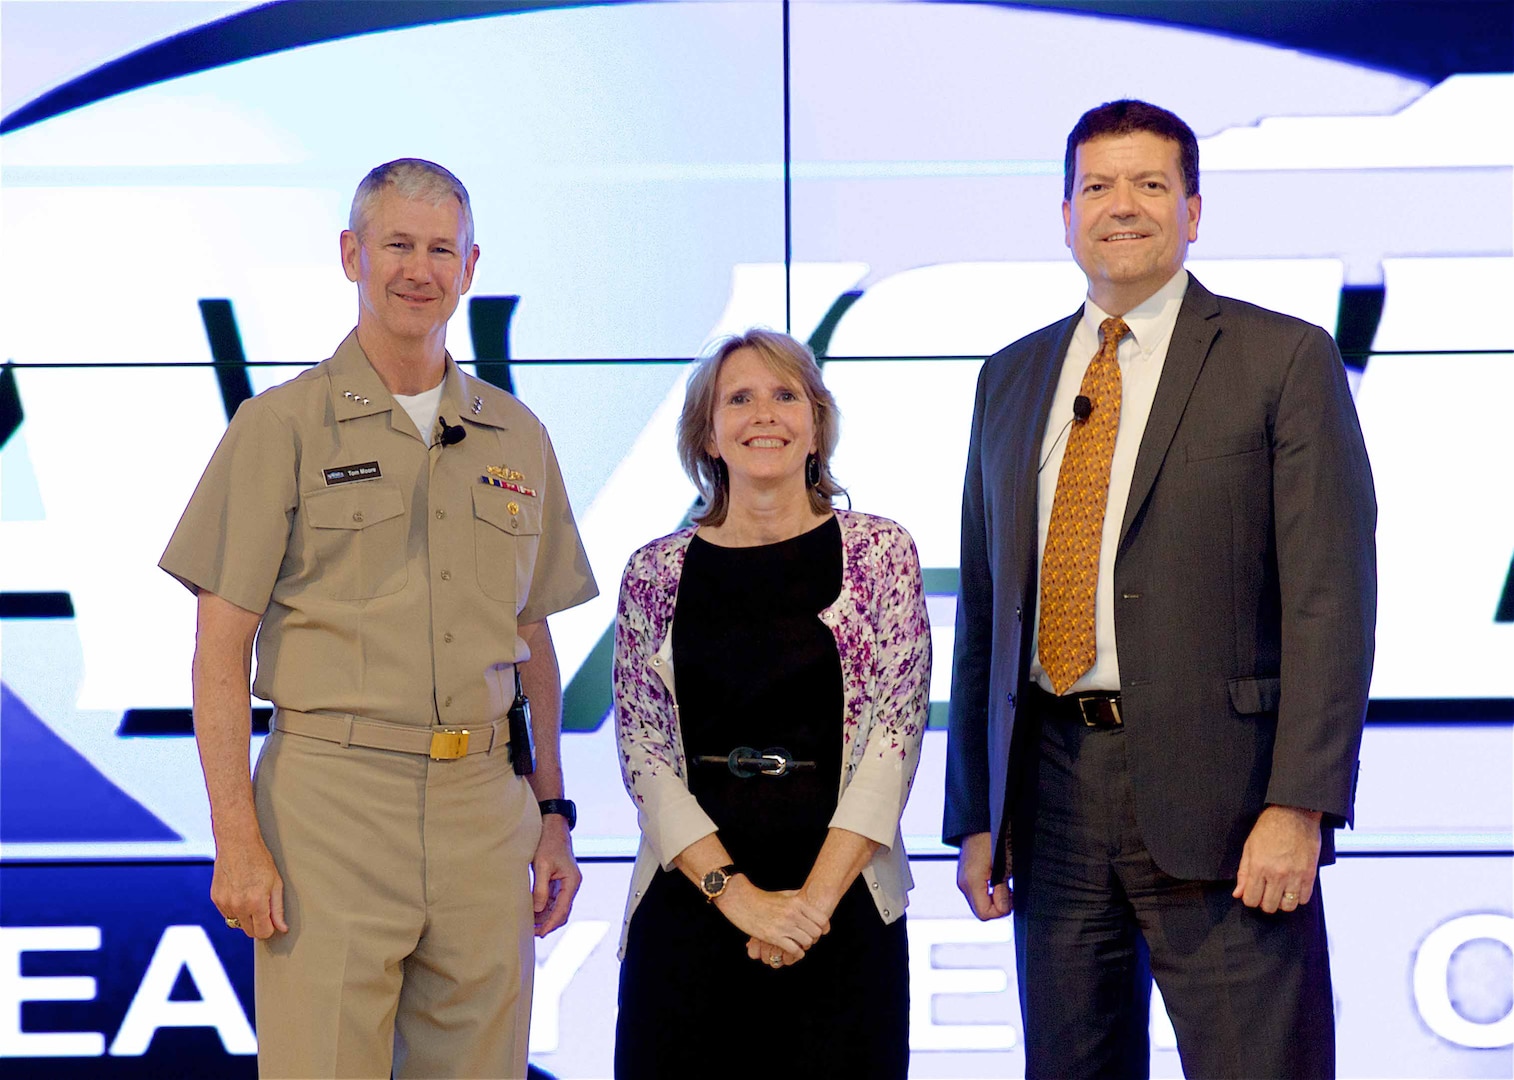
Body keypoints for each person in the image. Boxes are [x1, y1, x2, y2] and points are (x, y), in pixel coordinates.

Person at [945, 100, 1377, 1078]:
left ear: (1192, 211)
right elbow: (987, 612)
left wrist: (1298, 805)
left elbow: (1329, 601)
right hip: (1048, 798)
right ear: (1063, 215)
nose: (1121, 207)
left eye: (1149, 184)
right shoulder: (1008, 378)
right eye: (1096, 186)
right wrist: (976, 813)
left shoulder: (1280, 357)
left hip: (1227, 807)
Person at [159, 158, 598, 1079]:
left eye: (441, 249)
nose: (418, 268)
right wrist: (235, 839)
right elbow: (219, 646)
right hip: (331, 806)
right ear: (352, 254)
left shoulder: (519, 435)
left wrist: (552, 812)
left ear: (471, 267)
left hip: (487, 811)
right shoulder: (278, 426)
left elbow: (536, 643)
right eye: (397, 244)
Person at [610, 329, 930, 1078]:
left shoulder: (881, 552)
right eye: (740, 398)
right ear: (708, 433)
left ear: (816, 424)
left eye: (787, 395)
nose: (765, 414)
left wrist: (807, 910)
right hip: (691, 901)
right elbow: (644, 756)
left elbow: (894, 740)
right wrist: (741, 899)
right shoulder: (655, 572)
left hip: (843, 905)